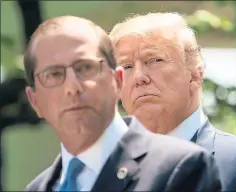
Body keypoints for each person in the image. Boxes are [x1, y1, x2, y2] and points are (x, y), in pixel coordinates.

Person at [23, 15, 221, 192]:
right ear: (35, 101)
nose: (72, 87)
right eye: (53, 74)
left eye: (85, 68)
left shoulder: (181, 167)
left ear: (116, 81)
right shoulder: (36, 188)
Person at [109, 12, 236, 192]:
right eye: (127, 66)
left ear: (195, 75)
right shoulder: (103, 168)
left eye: (154, 60)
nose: (139, 77)